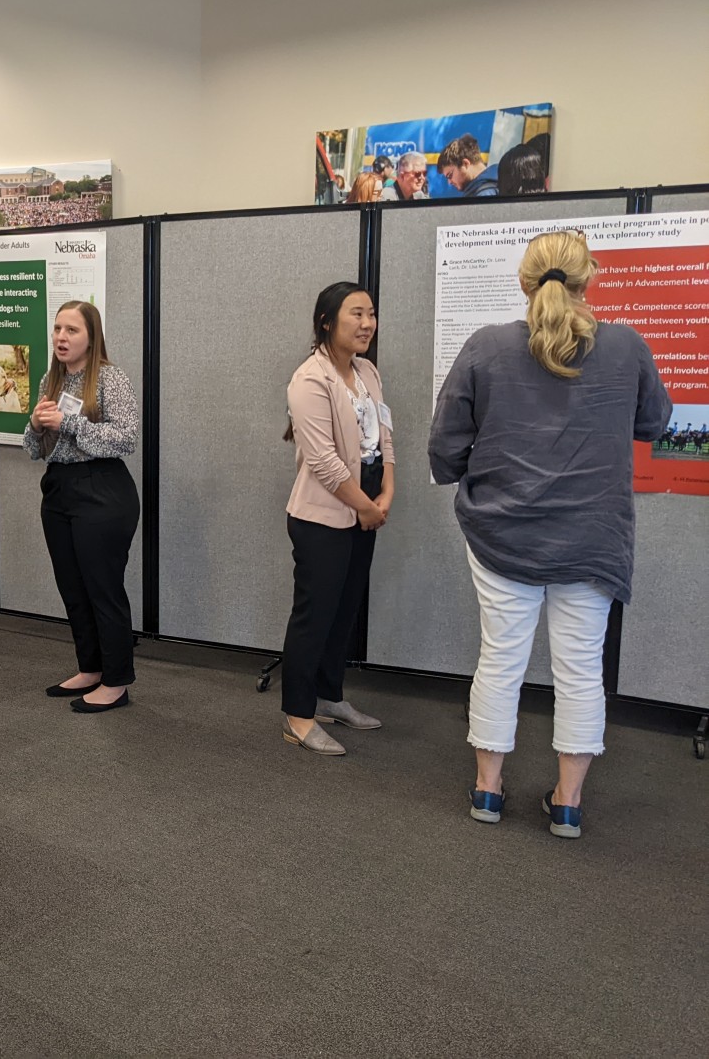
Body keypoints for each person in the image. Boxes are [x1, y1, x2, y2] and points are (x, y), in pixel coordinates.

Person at [429, 230, 670, 837]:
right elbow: (654, 421)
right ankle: (567, 803)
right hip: (593, 537)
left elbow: (444, 447)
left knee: (500, 658)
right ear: (589, 281)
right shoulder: (626, 347)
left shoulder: (485, 347)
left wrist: (467, 472)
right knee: (582, 669)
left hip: (503, 534)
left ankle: (487, 791)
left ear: (523, 281)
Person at [279, 281, 394, 756]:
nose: (367, 324)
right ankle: (298, 715)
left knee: (344, 611)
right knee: (314, 616)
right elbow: (325, 462)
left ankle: (329, 697)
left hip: (365, 505)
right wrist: (366, 505)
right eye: (356, 315)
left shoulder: (367, 371)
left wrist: (387, 489)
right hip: (323, 515)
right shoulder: (309, 379)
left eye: (370, 314)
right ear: (327, 322)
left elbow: (385, 433)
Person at [25, 301, 140, 713]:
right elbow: (35, 449)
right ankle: (91, 668)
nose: (61, 337)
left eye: (71, 330)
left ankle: (117, 681)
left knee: (102, 588)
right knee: (72, 587)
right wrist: (36, 427)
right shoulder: (50, 380)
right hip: (59, 490)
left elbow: (126, 439)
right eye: (57, 328)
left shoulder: (110, 379)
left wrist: (68, 424)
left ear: (92, 335)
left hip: (102, 490)